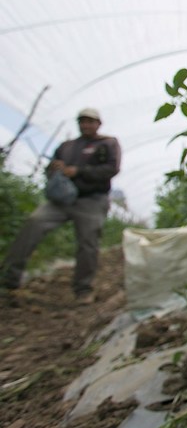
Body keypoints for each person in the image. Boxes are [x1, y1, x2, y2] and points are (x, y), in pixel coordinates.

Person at [2, 108, 122, 304]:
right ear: (79, 124)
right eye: (83, 121)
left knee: (88, 243)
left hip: (91, 199)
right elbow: (51, 168)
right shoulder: (67, 146)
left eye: (91, 122)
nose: (87, 125)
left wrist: (79, 171)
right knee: (34, 223)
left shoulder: (108, 143)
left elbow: (112, 169)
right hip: (62, 200)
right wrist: (55, 169)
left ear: (98, 124)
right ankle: (9, 279)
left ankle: (83, 289)